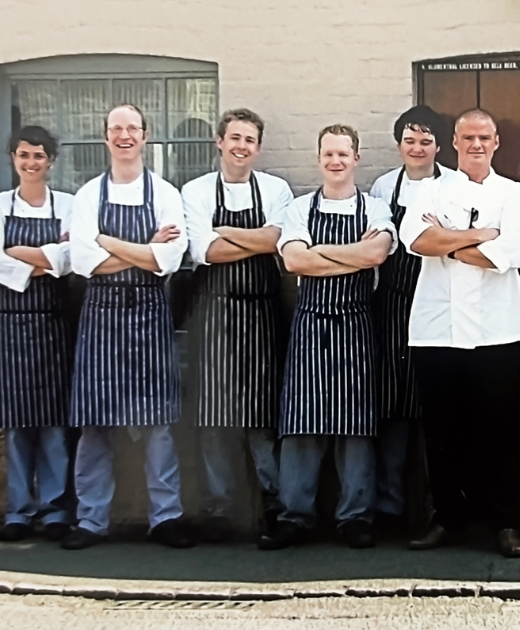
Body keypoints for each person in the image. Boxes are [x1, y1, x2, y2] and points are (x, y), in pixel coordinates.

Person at [400, 108, 520, 559]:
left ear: (496, 142)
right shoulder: (428, 190)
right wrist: (478, 235)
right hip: (437, 329)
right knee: (441, 433)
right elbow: (417, 242)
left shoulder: (514, 195)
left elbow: (511, 253)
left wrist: (449, 241)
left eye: (484, 137)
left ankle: (505, 523)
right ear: (453, 142)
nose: (476, 144)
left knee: (500, 430)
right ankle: (448, 519)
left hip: (497, 329)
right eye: (467, 137)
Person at [62, 104, 194, 550]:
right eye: (116, 129)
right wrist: (142, 250)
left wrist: (106, 242)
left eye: (131, 128)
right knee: (95, 425)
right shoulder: (85, 196)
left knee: (158, 424)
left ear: (145, 136)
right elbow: (83, 263)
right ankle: (91, 520)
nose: (124, 136)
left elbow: (169, 261)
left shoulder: (165, 193)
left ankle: (167, 517)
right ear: (106, 137)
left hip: (150, 316)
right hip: (100, 318)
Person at [259, 125, 395, 550]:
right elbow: (294, 261)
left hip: (356, 322)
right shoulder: (299, 208)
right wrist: (347, 254)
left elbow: (376, 254)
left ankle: (354, 517)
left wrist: (320, 252)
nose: (336, 161)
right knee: (301, 422)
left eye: (343, 154)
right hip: (310, 322)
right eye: (328, 154)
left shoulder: (375, 209)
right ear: (318, 159)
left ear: (357, 158)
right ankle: (295, 515)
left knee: (356, 426)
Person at [181, 109, 294, 542]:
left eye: (249, 139)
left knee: (262, 415)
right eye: (234, 138)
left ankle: (272, 504)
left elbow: (278, 244)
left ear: (258, 147)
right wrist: (256, 241)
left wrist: (226, 232)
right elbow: (205, 252)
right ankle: (219, 509)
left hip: (263, 311)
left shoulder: (275, 188)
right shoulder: (195, 190)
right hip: (213, 311)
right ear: (219, 141)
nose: (241, 146)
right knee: (214, 415)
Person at [0, 126, 76, 542]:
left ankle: (54, 511)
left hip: (54, 321)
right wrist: (47, 258)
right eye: (23, 155)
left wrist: (24, 254)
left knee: (54, 423)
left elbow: (73, 258)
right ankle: (18, 511)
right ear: (12, 158)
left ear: (50, 161)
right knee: (16, 425)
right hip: (11, 323)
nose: (31, 163)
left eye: (38, 156)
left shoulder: (69, 205)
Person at [367, 105, 453, 534]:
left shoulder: (454, 186)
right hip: (395, 304)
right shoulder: (384, 187)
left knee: (435, 408)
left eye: (426, 140)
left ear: (440, 146)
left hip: (440, 301)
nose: (417, 148)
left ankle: (438, 509)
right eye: (410, 140)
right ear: (399, 144)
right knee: (394, 408)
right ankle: (389, 508)